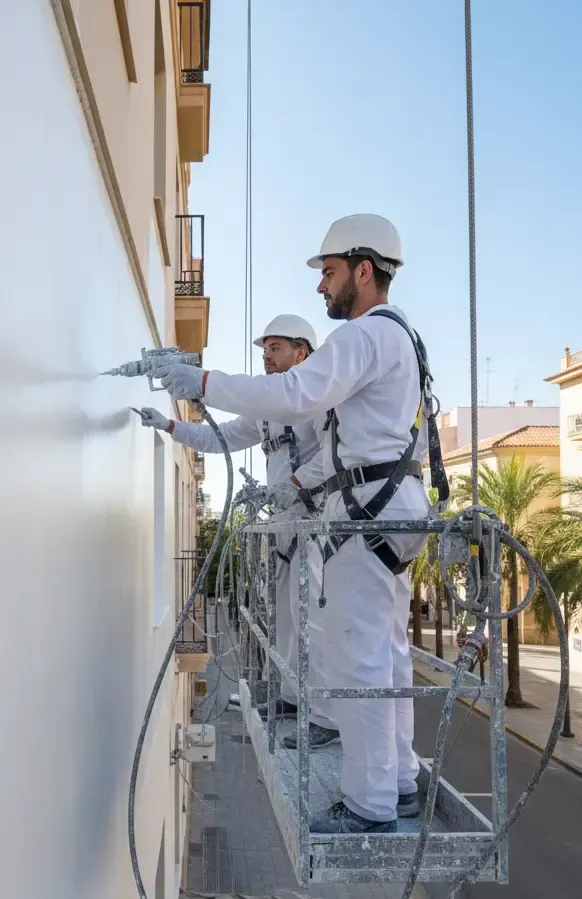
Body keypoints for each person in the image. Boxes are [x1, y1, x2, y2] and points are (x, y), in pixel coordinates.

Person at [154, 214, 448, 834]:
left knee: (361, 652)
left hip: (367, 509)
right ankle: (396, 781)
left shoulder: (365, 335)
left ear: (363, 270)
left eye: (331, 273)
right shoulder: (402, 337)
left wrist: (202, 381)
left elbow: (295, 394)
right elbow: (257, 419)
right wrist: (181, 424)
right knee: (389, 652)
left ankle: (369, 803)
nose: (322, 288)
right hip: (391, 507)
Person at [140, 314, 337, 746]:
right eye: (264, 349)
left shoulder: (319, 401)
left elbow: (336, 453)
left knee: (313, 619)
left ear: (302, 352)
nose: (267, 356)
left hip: (314, 522)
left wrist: (296, 484)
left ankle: (325, 715)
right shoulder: (266, 412)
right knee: (286, 617)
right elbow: (220, 438)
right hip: (285, 525)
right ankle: (291, 695)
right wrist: (170, 426)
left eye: (276, 348)